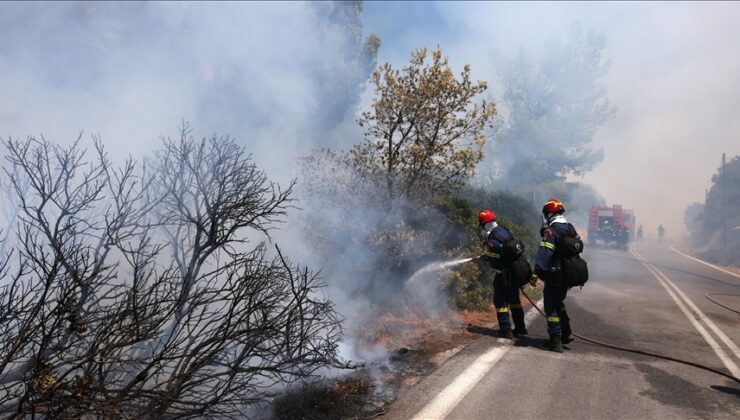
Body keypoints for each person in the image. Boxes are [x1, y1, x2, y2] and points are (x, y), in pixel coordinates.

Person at [533, 198, 579, 353]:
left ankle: (555, 342)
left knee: (551, 307)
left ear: (549, 214)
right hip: (568, 273)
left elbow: (545, 253)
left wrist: (537, 271)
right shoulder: (570, 228)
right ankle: (565, 334)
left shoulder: (551, 231)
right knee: (558, 302)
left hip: (555, 274)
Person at [474, 209, 528, 339]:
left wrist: (488, 259)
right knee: (514, 301)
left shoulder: (492, 239)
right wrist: (484, 256)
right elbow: (503, 252)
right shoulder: (504, 231)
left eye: (482, 225)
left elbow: (495, 261)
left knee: (500, 302)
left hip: (503, 275)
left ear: (486, 225)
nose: (481, 228)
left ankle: (506, 330)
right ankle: (520, 328)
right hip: (514, 272)